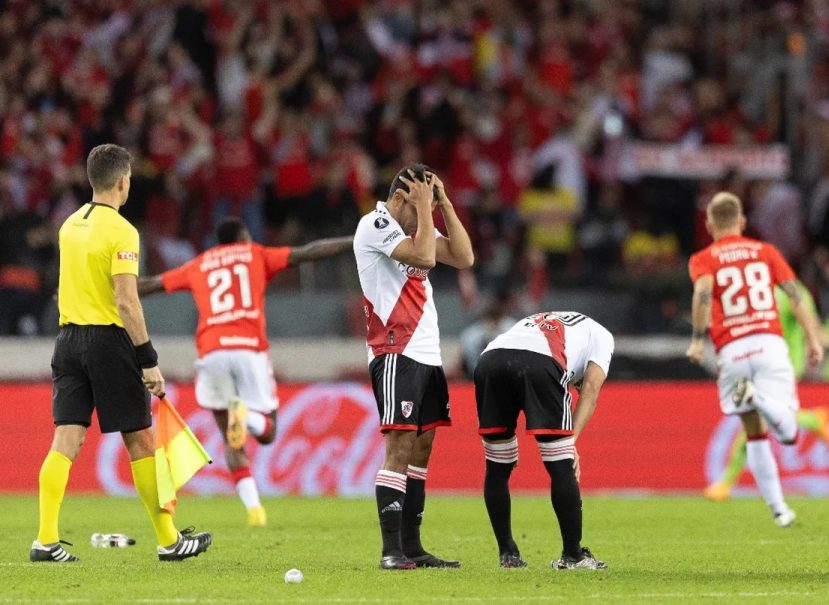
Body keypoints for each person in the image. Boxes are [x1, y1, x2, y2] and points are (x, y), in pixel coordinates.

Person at [32, 144, 211, 563]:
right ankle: (169, 541)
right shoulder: (123, 231)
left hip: (67, 341)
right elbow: (127, 301)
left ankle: (45, 539)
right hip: (108, 343)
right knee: (142, 442)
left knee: (66, 439)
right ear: (122, 181)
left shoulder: (69, 224)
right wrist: (148, 358)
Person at [138, 218, 353, 526]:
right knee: (268, 431)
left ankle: (255, 511)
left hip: (212, 353)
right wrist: (354, 241)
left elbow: (152, 284)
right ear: (243, 237)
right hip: (248, 349)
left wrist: (104, 292)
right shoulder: (254, 253)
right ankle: (248, 416)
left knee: (231, 439)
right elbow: (307, 253)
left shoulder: (200, 263)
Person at [354, 164, 474, 570]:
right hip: (394, 350)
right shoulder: (375, 224)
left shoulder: (415, 228)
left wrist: (443, 203)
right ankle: (391, 552)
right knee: (400, 446)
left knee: (422, 449)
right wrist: (425, 209)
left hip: (427, 353)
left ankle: (413, 548)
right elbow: (425, 257)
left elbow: (463, 255)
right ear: (402, 197)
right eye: (420, 198)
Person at [686, 192, 825, 527]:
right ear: (743, 222)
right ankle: (760, 398)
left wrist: (696, 340)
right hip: (768, 344)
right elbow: (795, 296)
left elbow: (703, 293)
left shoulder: (703, 258)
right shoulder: (766, 252)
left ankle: (779, 510)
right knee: (789, 432)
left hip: (732, 351)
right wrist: (812, 339)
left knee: (754, 432)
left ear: (709, 224)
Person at [474, 311, 614, 570]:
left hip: (490, 360)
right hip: (541, 361)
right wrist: (571, 442)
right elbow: (591, 390)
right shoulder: (604, 337)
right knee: (560, 463)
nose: (577, 387)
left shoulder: (548, 319)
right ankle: (573, 555)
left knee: (498, 464)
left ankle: (508, 553)